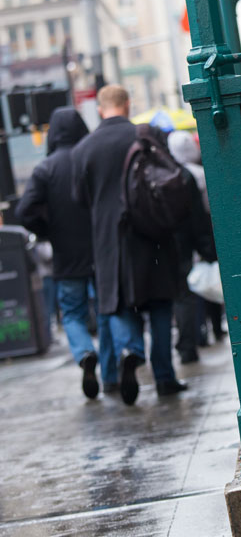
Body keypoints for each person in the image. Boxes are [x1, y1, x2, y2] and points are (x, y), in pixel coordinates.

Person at [71, 85, 187, 405]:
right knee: (161, 305)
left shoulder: (83, 148)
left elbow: (79, 199)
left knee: (120, 303)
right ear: (128, 104)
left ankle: (131, 350)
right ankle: (165, 378)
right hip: (152, 236)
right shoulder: (144, 136)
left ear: (99, 108)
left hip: (109, 240)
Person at [16, 107, 117, 399]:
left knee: (71, 313)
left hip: (66, 254)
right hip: (100, 249)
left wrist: (46, 230)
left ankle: (85, 352)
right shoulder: (90, 157)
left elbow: (25, 211)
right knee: (106, 311)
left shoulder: (45, 168)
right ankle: (110, 375)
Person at [167, 130, 219, 363]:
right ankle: (208, 331)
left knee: (184, 295)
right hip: (194, 241)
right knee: (196, 289)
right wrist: (207, 248)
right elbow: (201, 215)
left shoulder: (167, 174)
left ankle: (192, 339)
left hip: (170, 245)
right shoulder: (195, 175)